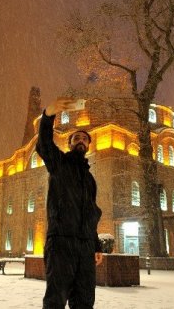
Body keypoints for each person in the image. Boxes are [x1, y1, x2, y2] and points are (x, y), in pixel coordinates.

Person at [36, 97, 103, 309]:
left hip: (85, 248)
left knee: (84, 301)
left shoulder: (90, 180)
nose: (81, 140)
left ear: (89, 146)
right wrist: (48, 115)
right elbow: (44, 144)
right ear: (70, 143)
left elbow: (91, 214)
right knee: (55, 300)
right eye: (76, 138)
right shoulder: (60, 164)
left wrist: (96, 245)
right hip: (61, 243)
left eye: (84, 138)